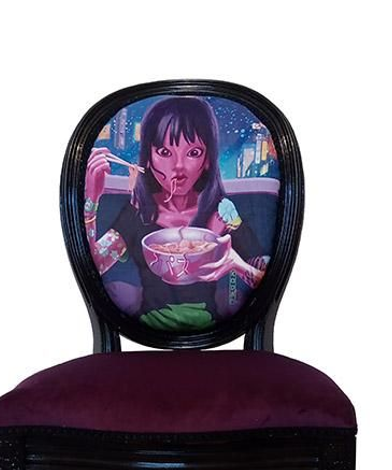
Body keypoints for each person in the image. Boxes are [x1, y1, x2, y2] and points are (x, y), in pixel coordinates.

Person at [83, 96, 271, 330]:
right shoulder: (138, 212)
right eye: (164, 151)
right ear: (148, 159)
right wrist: (92, 199)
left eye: (193, 152)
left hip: (215, 329)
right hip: (145, 329)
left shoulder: (223, 213)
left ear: (207, 160)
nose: (178, 166)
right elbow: (96, 266)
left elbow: (265, 276)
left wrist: (236, 265)